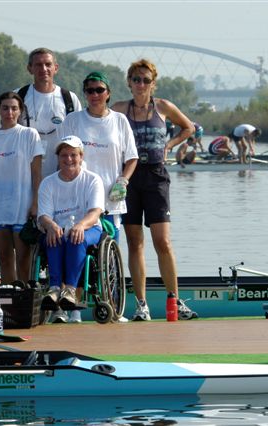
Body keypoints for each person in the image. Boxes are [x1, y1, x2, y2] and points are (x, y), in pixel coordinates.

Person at [111, 58, 197, 321]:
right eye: (136, 79)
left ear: (153, 83)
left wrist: (169, 146)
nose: (140, 84)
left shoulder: (162, 107)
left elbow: (189, 127)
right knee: (135, 242)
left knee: (163, 241)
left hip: (157, 177)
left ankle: (175, 300)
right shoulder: (119, 109)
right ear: (129, 82)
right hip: (129, 177)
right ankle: (141, 304)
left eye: (146, 80)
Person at [59, 71, 137, 323]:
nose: (95, 95)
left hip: (111, 201)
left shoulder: (120, 121)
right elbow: (62, 155)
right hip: (77, 201)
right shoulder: (73, 120)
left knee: (108, 259)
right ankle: (72, 308)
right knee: (74, 248)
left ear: (108, 93)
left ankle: (112, 305)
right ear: (85, 94)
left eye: (99, 90)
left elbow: (132, 157)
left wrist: (123, 180)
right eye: (90, 90)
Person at [0, 92, 44, 285]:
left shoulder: (29, 135)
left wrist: (36, 203)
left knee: (24, 260)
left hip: (22, 209)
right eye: (5, 108)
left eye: (14, 108)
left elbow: (37, 174)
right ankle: (10, 307)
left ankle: (26, 304)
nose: (9, 112)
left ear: (20, 111)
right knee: (5, 261)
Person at [38, 136, 104, 323]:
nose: (68, 160)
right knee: (55, 235)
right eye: (64, 155)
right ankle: (55, 288)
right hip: (58, 230)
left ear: (81, 156)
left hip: (88, 229)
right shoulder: (48, 183)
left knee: (76, 237)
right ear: (58, 158)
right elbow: (43, 215)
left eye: (73, 155)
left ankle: (70, 291)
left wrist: (80, 225)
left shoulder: (92, 179)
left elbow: (96, 211)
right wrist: (50, 226)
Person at [17, 47, 82, 178]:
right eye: (38, 65)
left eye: (48, 64)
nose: (44, 69)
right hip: (25, 175)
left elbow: (79, 139)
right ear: (30, 68)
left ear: (56, 68)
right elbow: (6, 133)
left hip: (60, 175)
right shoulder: (18, 96)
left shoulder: (69, 98)